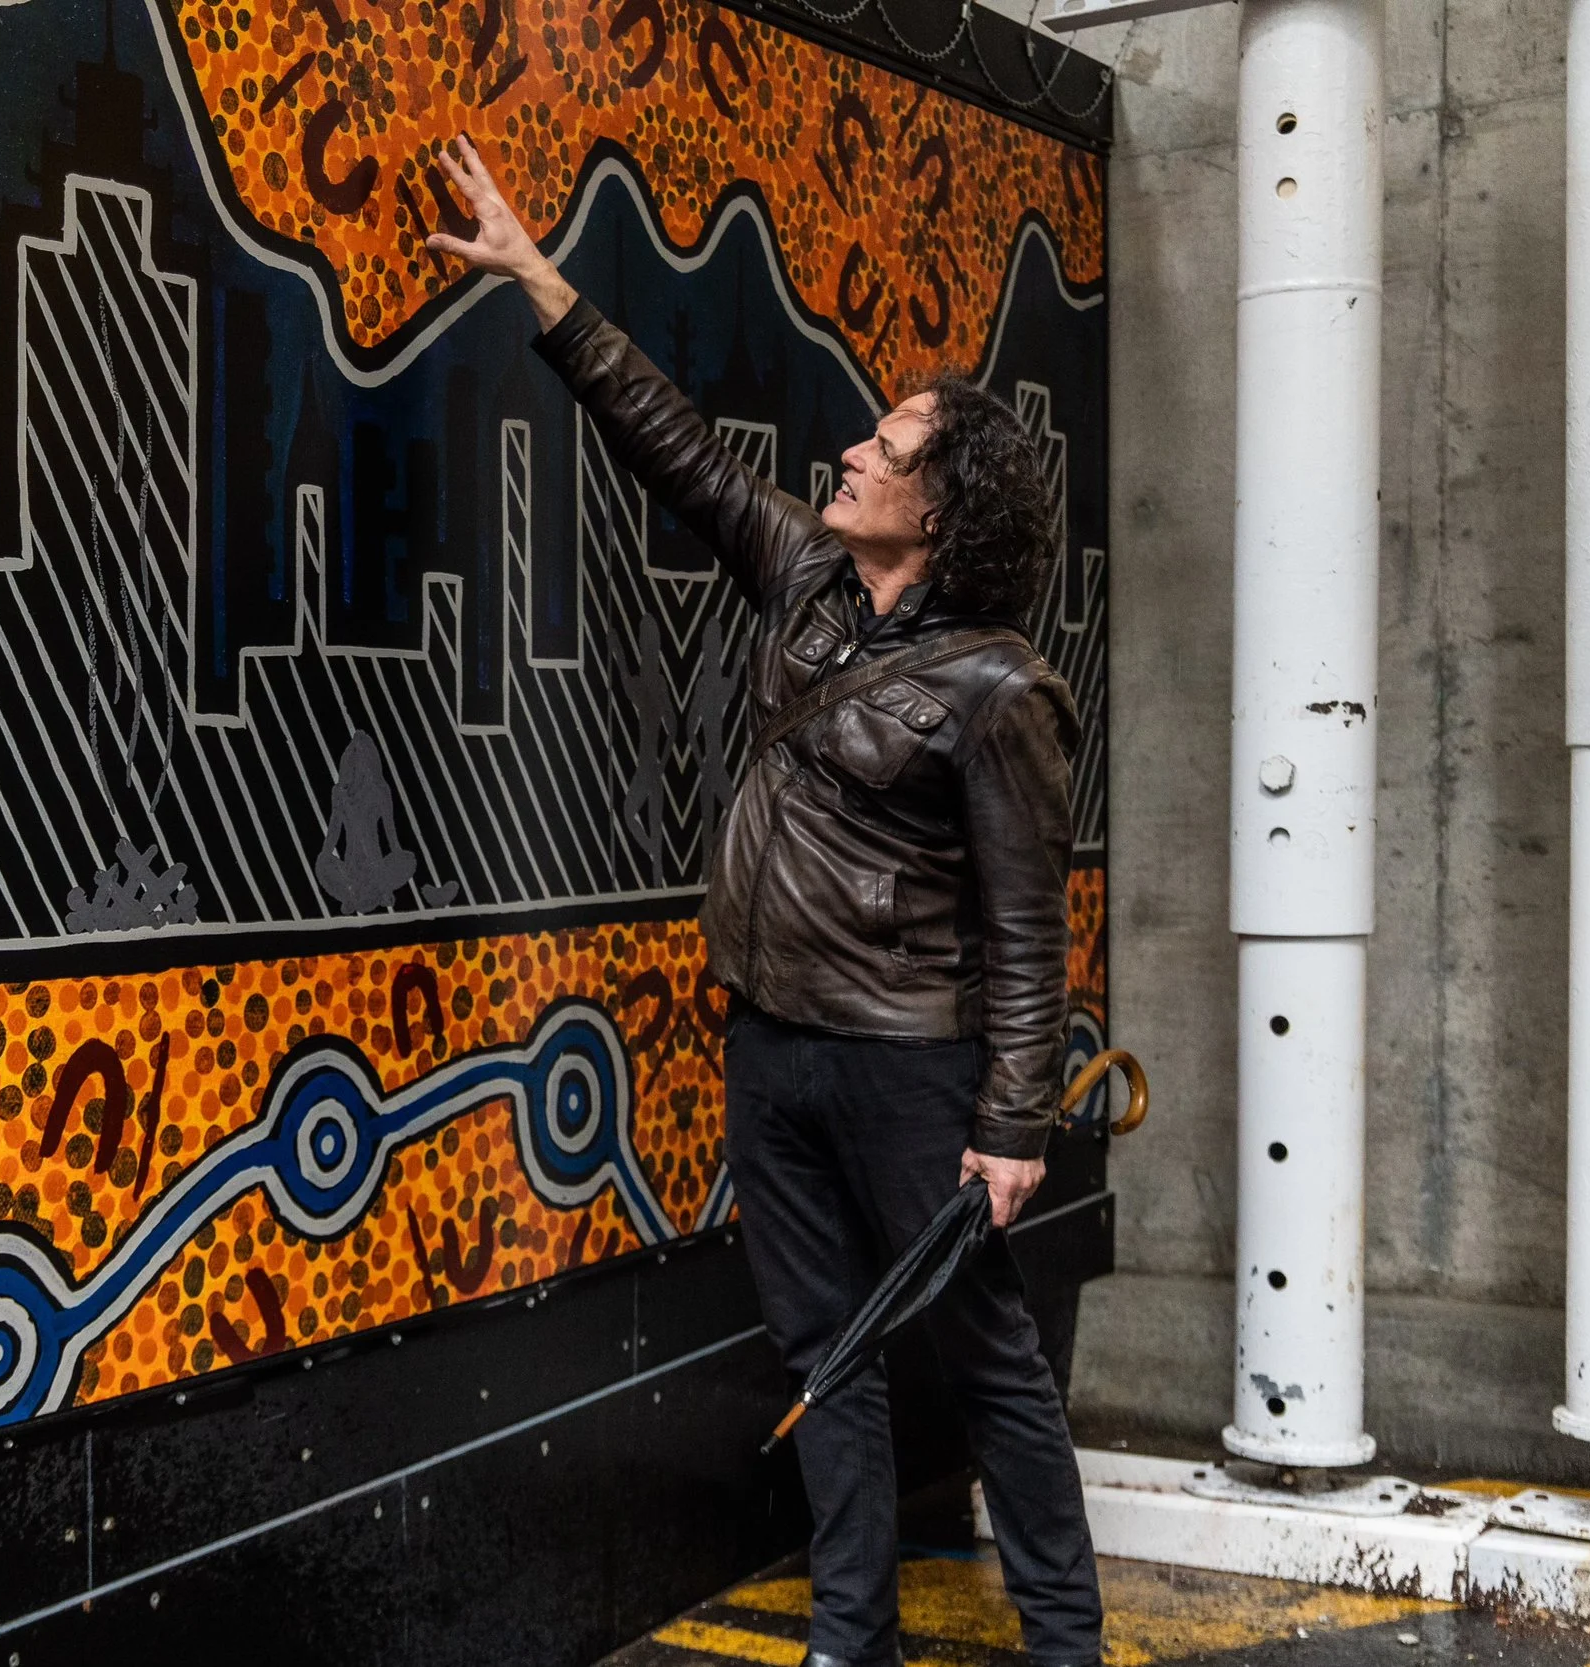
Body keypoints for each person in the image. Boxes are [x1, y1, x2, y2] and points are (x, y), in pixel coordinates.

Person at [429, 138, 1102, 1667]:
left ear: (940, 511)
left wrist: (1013, 1121)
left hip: (910, 1069)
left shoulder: (1001, 688)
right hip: (776, 1044)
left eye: (885, 447)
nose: (850, 454)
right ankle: (845, 1638)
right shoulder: (804, 578)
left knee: (987, 1359)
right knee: (826, 1350)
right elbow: (671, 444)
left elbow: (1025, 922)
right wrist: (544, 285)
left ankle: (1068, 1640)